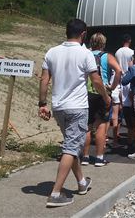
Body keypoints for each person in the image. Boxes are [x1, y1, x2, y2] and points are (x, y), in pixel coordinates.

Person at [38, 19, 110, 207]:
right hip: (77, 107)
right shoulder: (85, 54)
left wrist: (42, 103)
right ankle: (55, 193)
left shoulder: (51, 52)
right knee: (70, 148)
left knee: (73, 144)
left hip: (59, 107)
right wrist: (106, 97)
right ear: (83, 34)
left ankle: (81, 182)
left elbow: (44, 80)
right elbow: (96, 81)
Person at [82, 33, 121, 167]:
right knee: (101, 126)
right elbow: (119, 70)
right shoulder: (106, 56)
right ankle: (99, 158)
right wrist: (113, 86)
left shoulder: (85, 54)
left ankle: (85, 157)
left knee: (87, 126)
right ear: (103, 43)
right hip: (102, 92)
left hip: (85, 93)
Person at [115, 34, 135, 152]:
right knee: (131, 108)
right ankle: (132, 137)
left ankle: (118, 135)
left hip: (120, 78)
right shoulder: (131, 52)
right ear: (130, 41)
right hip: (129, 78)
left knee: (121, 107)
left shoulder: (117, 52)